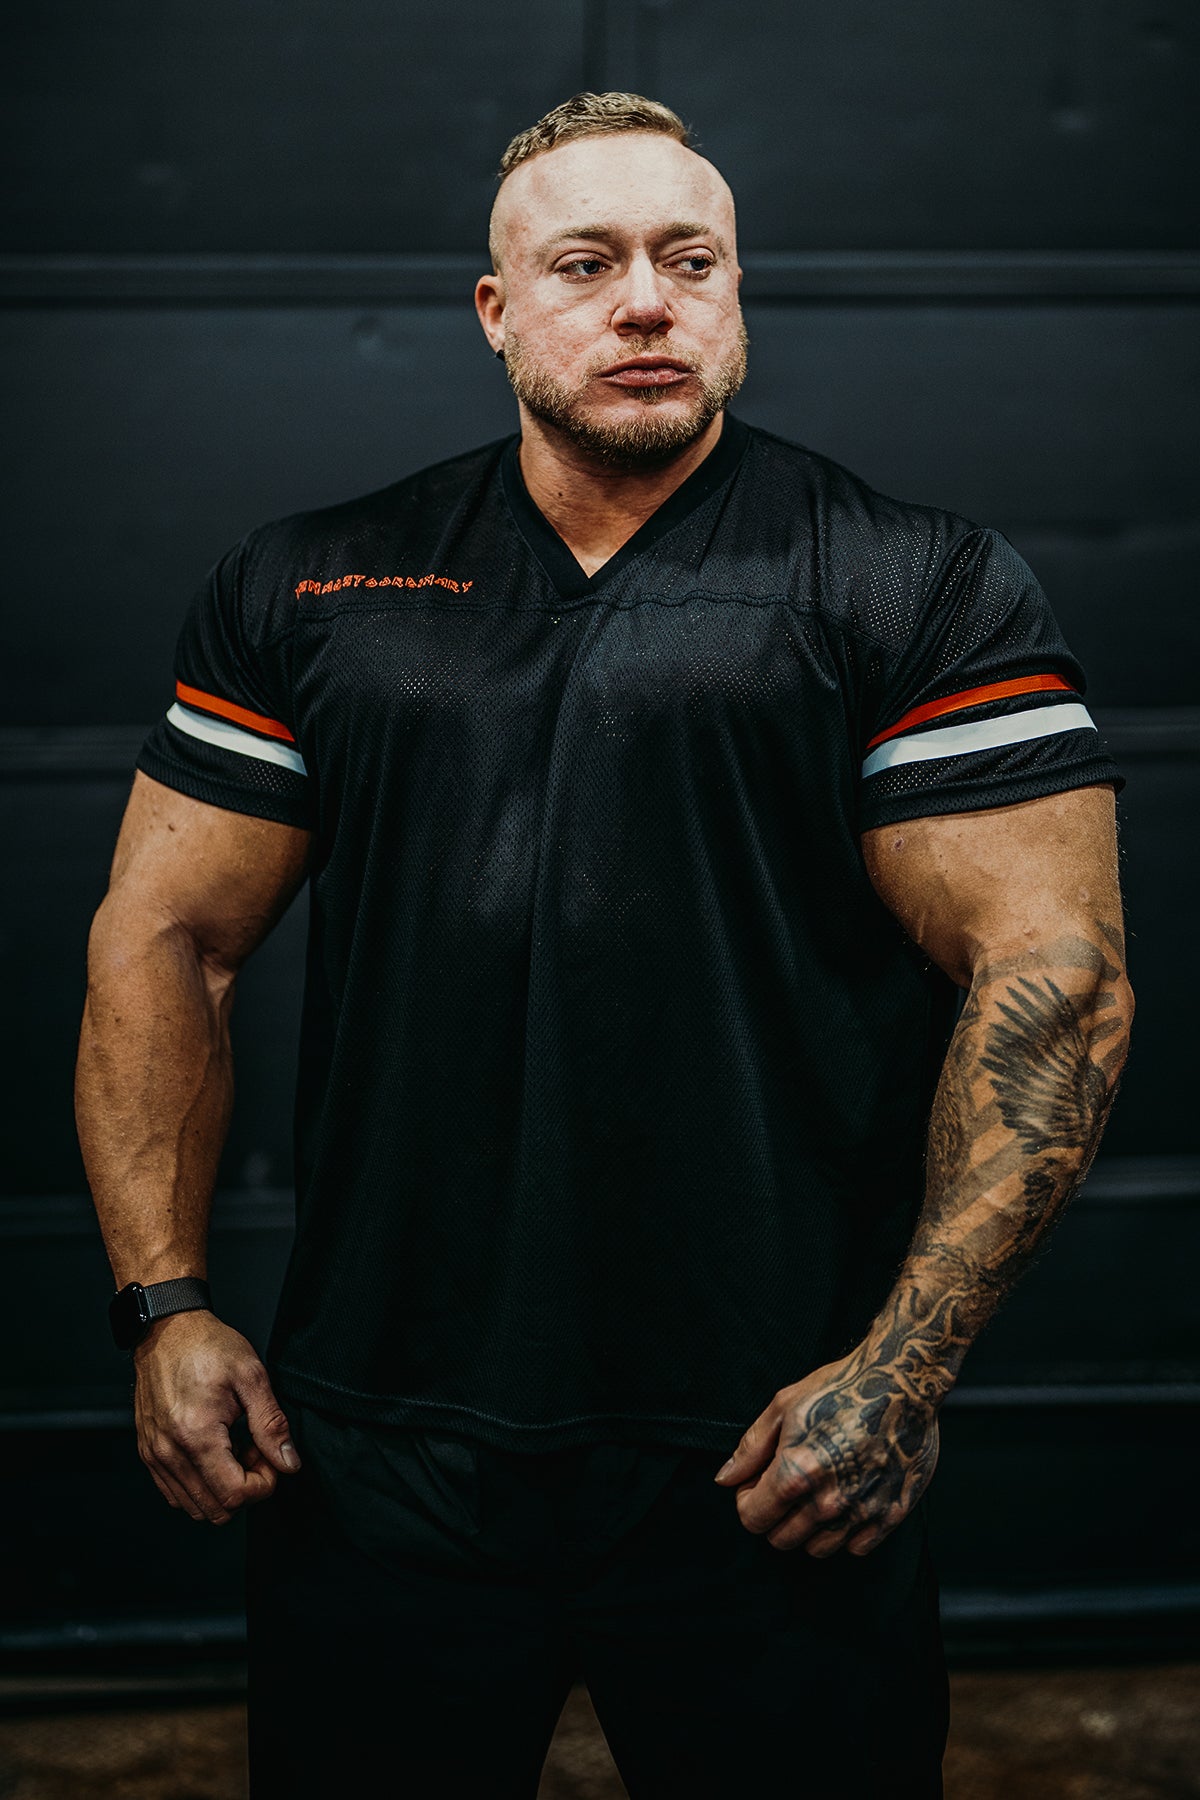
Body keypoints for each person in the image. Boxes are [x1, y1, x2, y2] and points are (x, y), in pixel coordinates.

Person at [76, 91, 1132, 1798]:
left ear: (736, 289)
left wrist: (899, 1372)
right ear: (496, 310)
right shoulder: (317, 584)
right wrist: (164, 1305)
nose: (647, 302)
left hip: (768, 1441)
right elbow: (167, 938)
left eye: (689, 260)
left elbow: (1054, 982)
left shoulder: (912, 585)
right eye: (587, 264)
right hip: (381, 1441)